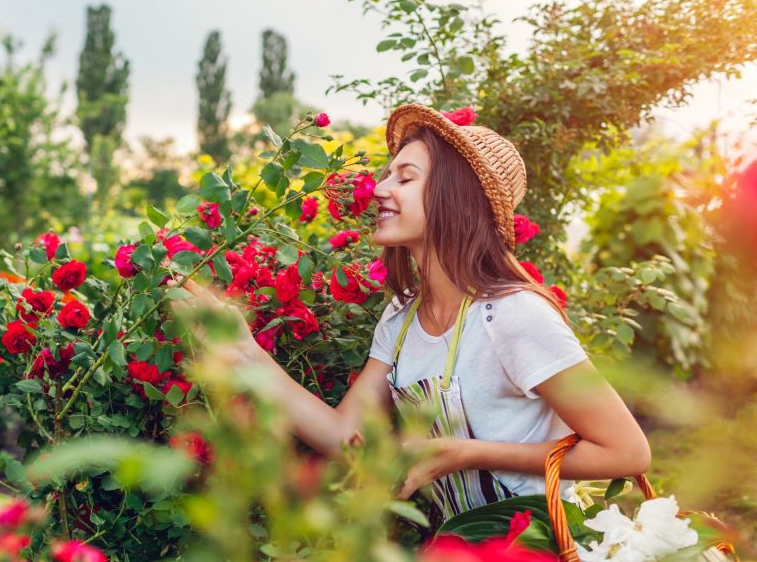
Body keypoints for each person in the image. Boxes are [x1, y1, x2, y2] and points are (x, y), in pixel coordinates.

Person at [169, 103, 650, 526]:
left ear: (454, 196)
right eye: (387, 174)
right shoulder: (400, 321)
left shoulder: (513, 316)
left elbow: (627, 451)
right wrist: (244, 352)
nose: (380, 189)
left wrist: (465, 453)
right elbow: (344, 436)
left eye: (405, 177)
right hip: (460, 545)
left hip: (534, 542)